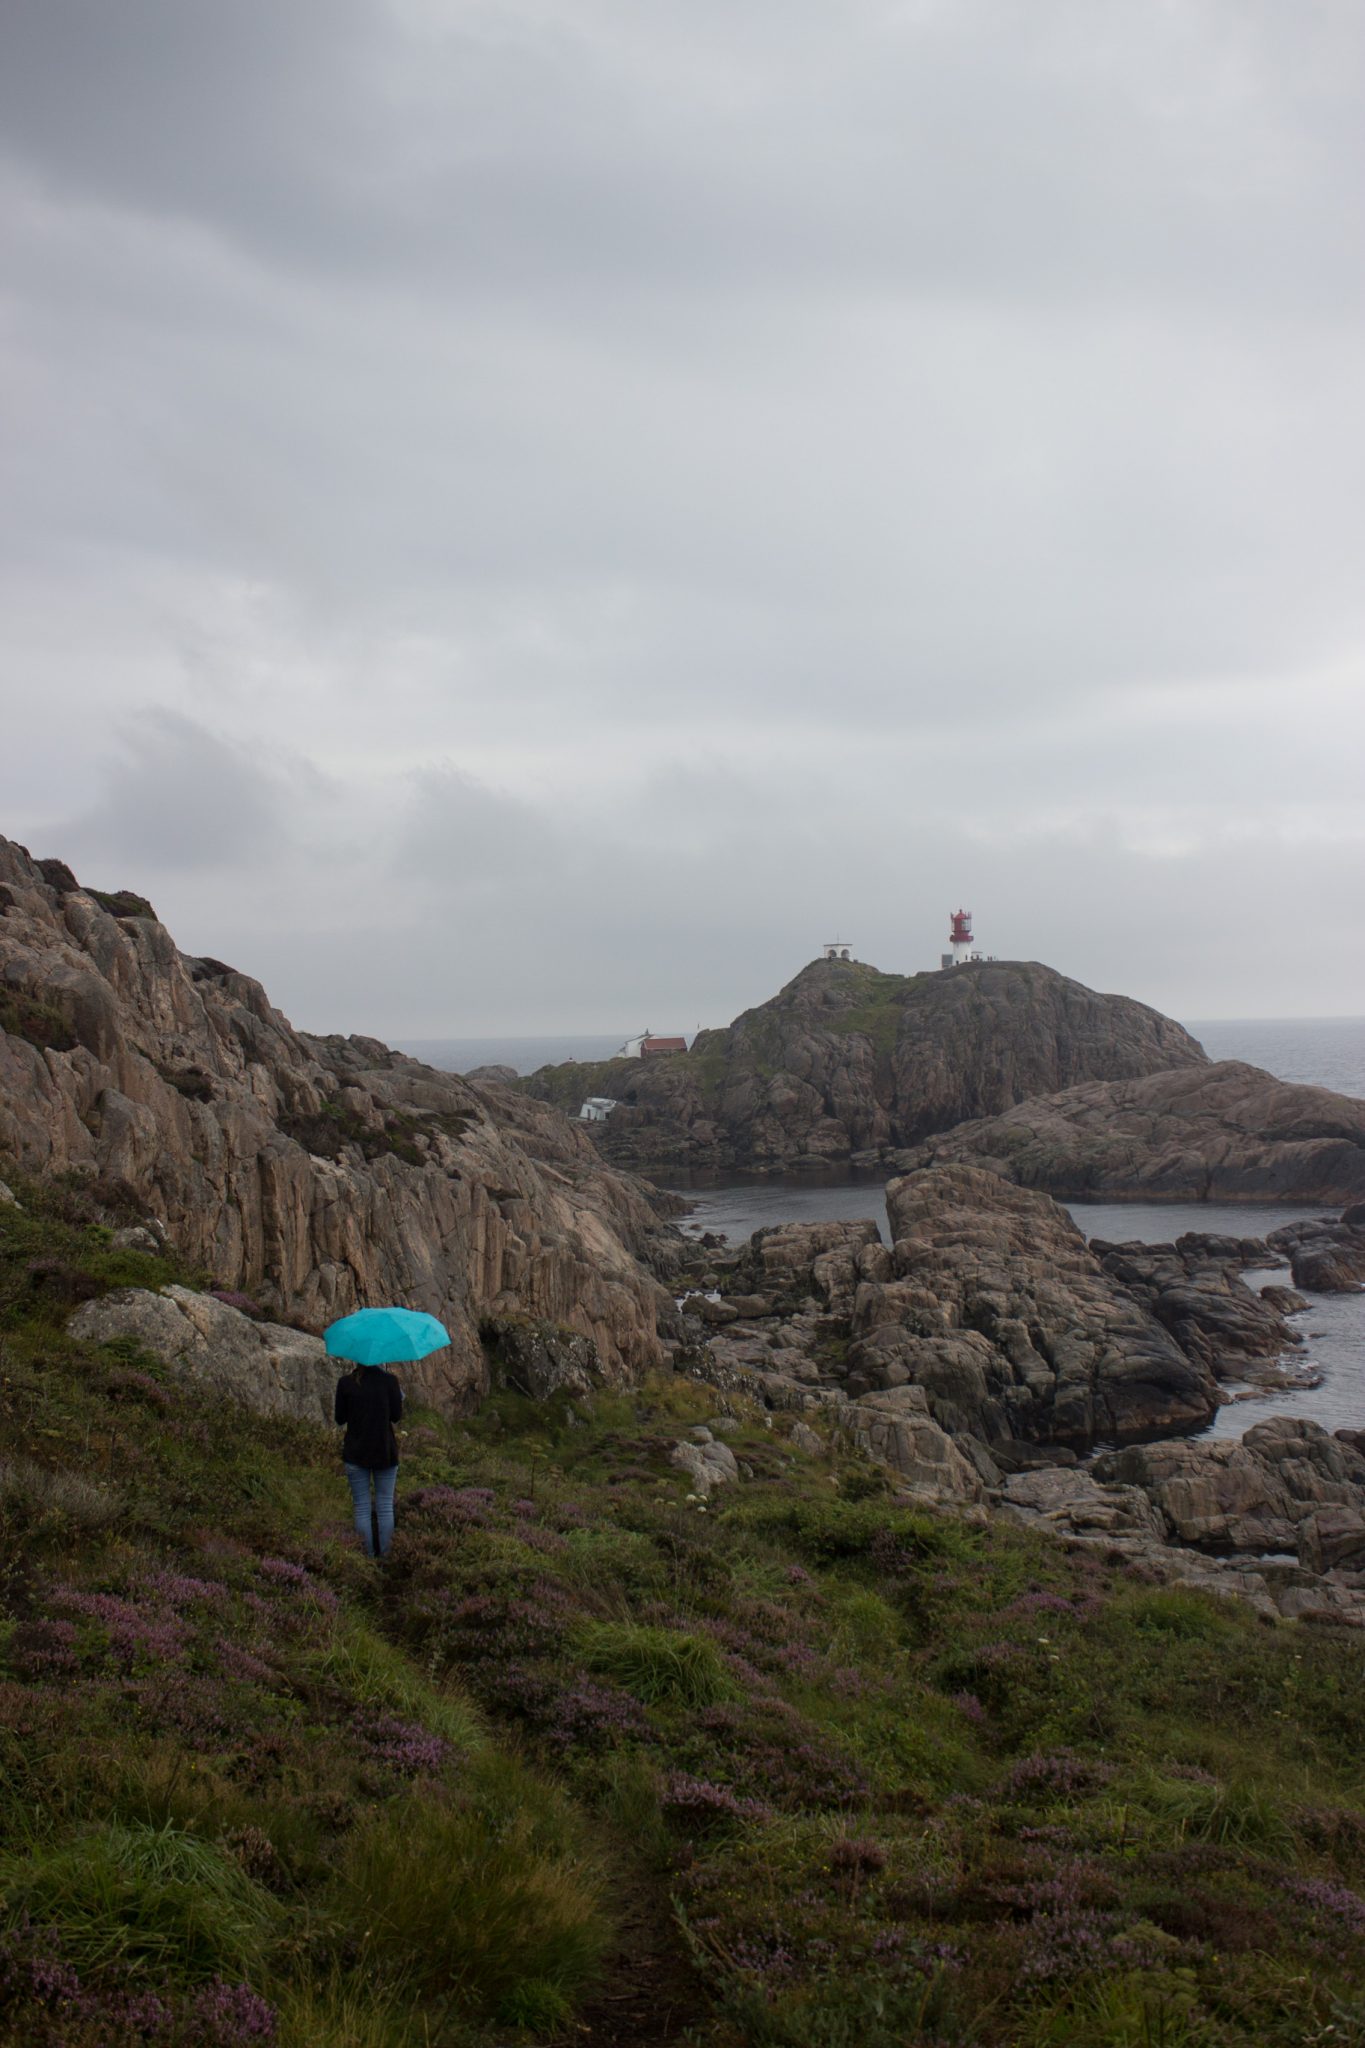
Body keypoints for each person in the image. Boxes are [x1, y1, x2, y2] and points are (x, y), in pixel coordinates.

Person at [334, 1360, 404, 1557]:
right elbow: (396, 1416)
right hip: (385, 1452)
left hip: (355, 1452)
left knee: (362, 1508)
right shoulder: (390, 1381)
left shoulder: (345, 1383)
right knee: (384, 1506)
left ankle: (367, 1557)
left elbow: (340, 1418)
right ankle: (387, 1557)